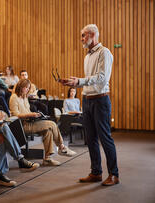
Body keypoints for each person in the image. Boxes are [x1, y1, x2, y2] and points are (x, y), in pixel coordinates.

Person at [64, 24, 119, 186]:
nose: (81, 39)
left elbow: (102, 78)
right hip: (86, 99)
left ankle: (114, 175)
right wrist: (75, 83)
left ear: (93, 35)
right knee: (91, 138)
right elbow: (89, 80)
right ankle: (96, 172)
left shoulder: (105, 53)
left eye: (83, 35)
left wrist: (80, 81)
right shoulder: (87, 56)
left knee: (105, 138)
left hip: (100, 100)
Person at [9, 79, 77, 166]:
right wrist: (31, 114)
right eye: (25, 87)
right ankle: (61, 147)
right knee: (52, 124)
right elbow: (15, 115)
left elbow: (27, 111)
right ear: (20, 87)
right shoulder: (14, 97)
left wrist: (35, 115)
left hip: (30, 121)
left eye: (28, 88)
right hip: (22, 125)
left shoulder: (25, 97)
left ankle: (47, 159)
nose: (27, 89)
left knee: (48, 131)